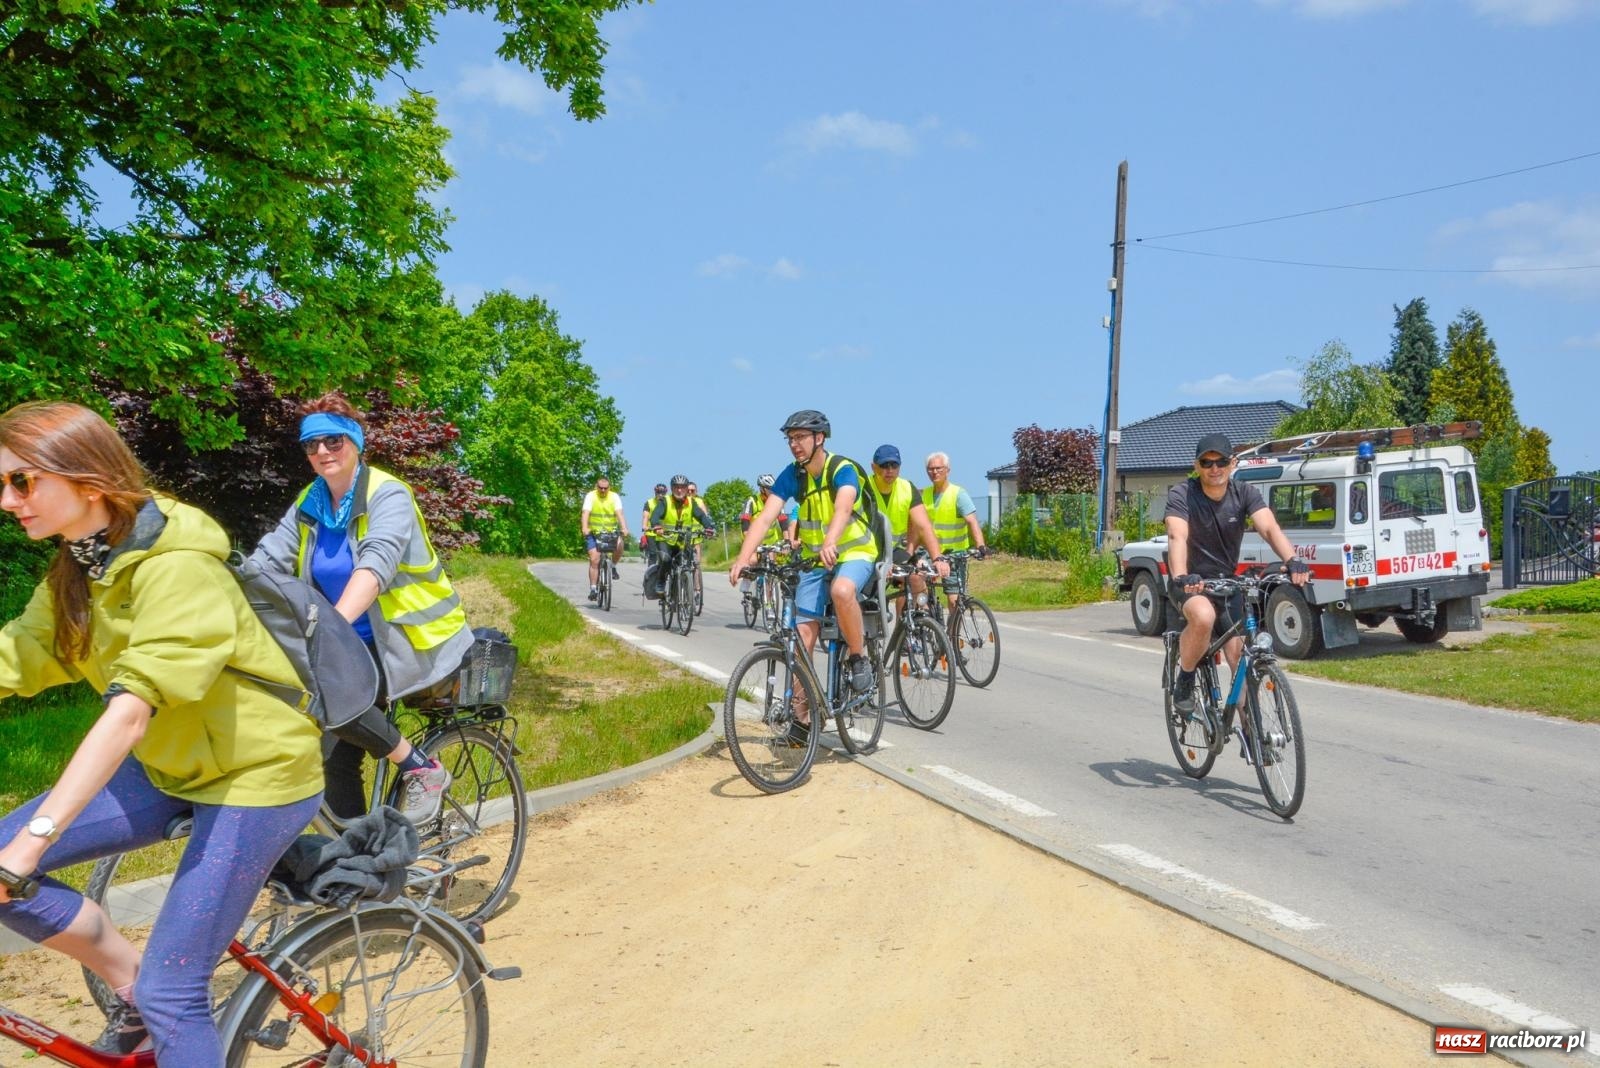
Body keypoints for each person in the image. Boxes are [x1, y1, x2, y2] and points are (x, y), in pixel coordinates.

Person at [0, 401, 325, 1063]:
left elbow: (129, 712)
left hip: (256, 778)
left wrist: (34, 841)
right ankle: (130, 992)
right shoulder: (83, 565)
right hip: (170, 768)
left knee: (174, 990)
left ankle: (155, 1001)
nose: (7, 501)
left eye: (21, 481)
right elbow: (21, 653)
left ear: (88, 480)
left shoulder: (178, 566)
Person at [250, 394, 474, 825]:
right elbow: (267, 559)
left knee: (334, 701)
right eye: (310, 444)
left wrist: (330, 626)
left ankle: (421, 769)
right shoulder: (310, 502)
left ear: (355, 442)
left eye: (333, 441)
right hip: (347, 641)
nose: (321, 452)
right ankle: (357, 860)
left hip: (406, 641)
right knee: (327, 756)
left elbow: (376, 564)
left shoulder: (388, 494)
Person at [730, 411, 879, 742]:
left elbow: (843, 508)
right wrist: (743, 558)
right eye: (790, 439)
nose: (794, 445)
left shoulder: (842, 468)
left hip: (853, 552)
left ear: (819, 438)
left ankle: (858, 658)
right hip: (814, 560)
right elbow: (767, 516)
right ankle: (803, 718)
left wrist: (831, 541)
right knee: (800, 639)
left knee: (842, 591)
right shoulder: (793, 475)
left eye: (800, 437)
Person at [1166, 432, 1310, 713]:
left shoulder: (1244, 493)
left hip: (1227, 583)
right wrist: (1182, 576)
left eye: (1220, 461)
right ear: (1197, 466)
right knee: (1204, 617)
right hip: (1191, 583)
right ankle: (1185, 676)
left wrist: (1292, 559)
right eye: (1206, 463)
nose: (1214, 469)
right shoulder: (1182, 494)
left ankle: (1254, 737)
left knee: (1239, 658)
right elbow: (1177, 536)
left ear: (1232, 463)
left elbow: (1268, 528)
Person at [867, 444, 949, 598]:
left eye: (894, 465)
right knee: (868, 601)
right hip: (867, 553)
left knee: (917, 576)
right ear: (874, 467)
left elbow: (923, 526)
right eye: (884, 465)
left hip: (893, 552)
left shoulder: (906, 488)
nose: (890, 470)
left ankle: (915, 619)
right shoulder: (864, 488)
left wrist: (938, 558)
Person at [921, 451, 988, 612]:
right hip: (930, 554)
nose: (934, 472)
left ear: (947, 470)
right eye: (931, 469)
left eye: (939, 468)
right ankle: (927, 626)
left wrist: (981, 546)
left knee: (955, 602)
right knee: (920, 593)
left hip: (954, 555)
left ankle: (952, 636)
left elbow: (972, 521)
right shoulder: (924, 495)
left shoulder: (958, 494)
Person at [649, 475, 714, 601]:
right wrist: (657, 526)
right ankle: (661, 581)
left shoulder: (691, 502)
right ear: (672, 488)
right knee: (666, 559)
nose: (679, 490)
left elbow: (701, 516)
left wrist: (709, 527)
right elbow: (655, 516)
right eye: (676, 487)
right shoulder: (665, 501)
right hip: (666, 540)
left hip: (683, 541)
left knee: (688, 564)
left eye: (682, 487)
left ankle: (684, 589)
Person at [738, 474, 796, 603]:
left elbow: (783, 523)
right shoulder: (751, 501)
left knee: (771, 569)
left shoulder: (776, 501)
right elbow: (745, 523)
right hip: (753, 539)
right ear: (762, 489)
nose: (772, 491)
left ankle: (769, 601)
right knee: (752, 561)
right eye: (769, 489)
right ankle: (746, 588)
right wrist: (751, 544)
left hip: (771, 540)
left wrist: (787, 542)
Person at [581, 476, 629, 602]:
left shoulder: (614, 497)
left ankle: (612, 566)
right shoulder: (591, 496)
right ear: (596, 487)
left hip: (610, 531)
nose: (602, 490)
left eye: (605, 488)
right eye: (600, 488)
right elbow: (585, 513)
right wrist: (584, 527)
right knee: (594, 559)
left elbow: (620, 514)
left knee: (620, 545)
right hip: (594, 532)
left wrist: (624, 528)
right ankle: (593, 589)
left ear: (609, 488)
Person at [639, 482, 667, 570]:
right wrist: (644, 525)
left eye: (663, 493)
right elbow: (646, 516)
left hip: (664, 533)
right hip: (651, 532)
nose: (660, 495)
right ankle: (651, 573)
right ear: (655, 492)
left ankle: (664, 573)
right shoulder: (649, 502)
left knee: (665, 554)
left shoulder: (668, 503)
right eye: (658, 492)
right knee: (653, 554)